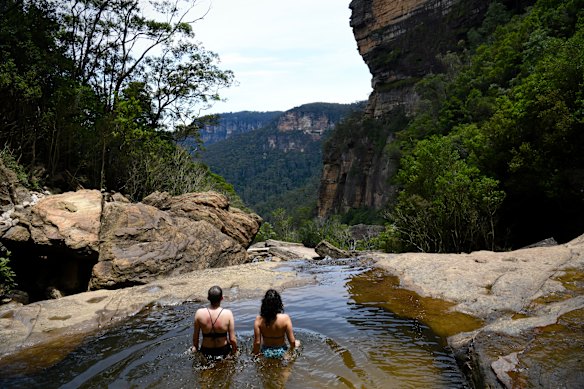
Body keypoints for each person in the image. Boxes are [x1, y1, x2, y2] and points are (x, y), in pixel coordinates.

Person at [192, 285, 237, 360]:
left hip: (206, 351)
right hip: (223, 351)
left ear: (208, 298)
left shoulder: (199, 313)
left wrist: (195, 348)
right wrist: (234, 351)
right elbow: (232, 339)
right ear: (222, 298)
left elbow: (195, 338)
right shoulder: (228, 313)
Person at [253, 289, 300, 359]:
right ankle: (287, 367)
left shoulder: (259, 320)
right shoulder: (285, 318)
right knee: (298, 342)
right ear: (279, 304)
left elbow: (257, 343)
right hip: (282, 351)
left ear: (264, 304)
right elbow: (292, 341)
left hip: (266, 351)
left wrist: (255, 354)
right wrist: (291, 351)